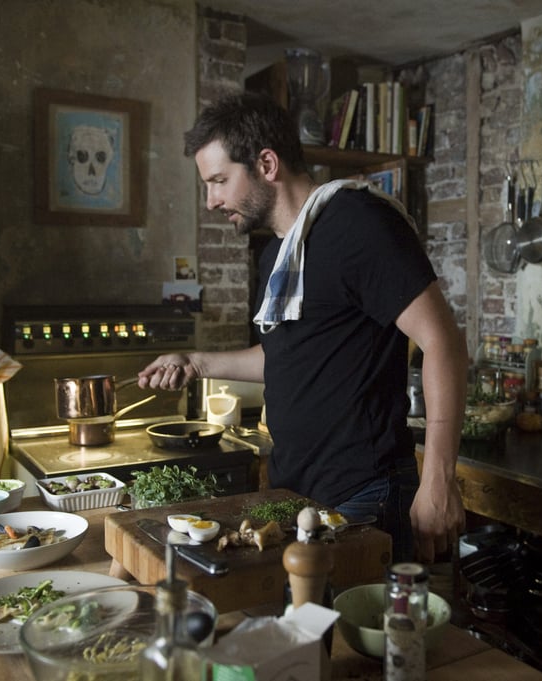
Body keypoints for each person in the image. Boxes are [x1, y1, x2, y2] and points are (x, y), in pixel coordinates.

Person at [139, 92, 467, 564]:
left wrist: (439, 479)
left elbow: (444, 344)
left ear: (266, 164)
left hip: (364, 495)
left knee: (362, 637)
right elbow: (287, 354)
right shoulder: (281, 254)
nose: (211, 201)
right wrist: (194, 361)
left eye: (218, 181)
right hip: (299, 496)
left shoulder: (358, 224)